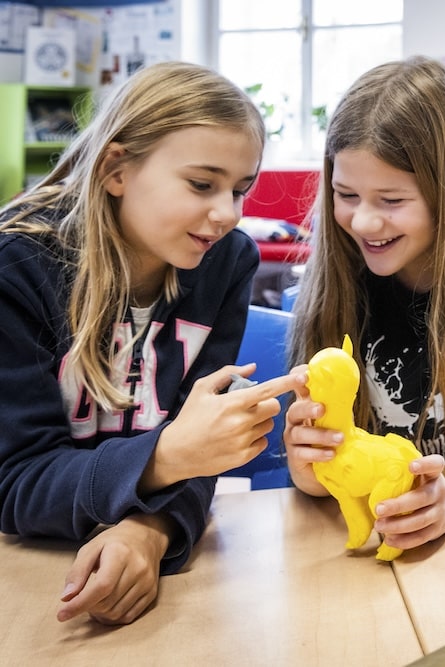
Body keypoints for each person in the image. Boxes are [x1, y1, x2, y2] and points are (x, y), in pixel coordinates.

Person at [0, 61, 302, 625]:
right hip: (30, 575)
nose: (228, 214)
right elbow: (16, 482)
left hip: (156, 572)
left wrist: (151, 530)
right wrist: (165, 457)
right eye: (201, 184)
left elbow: (204, 451)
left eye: (241, 189)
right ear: (117, 169)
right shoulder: (17, 268)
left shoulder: (228, 263)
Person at [283, 56, 445, 553]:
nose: (363, 222)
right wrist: (308, 467)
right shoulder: (338, 277)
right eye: (346, 194)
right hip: (370, 550)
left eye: (391, 200)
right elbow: (319, 483)